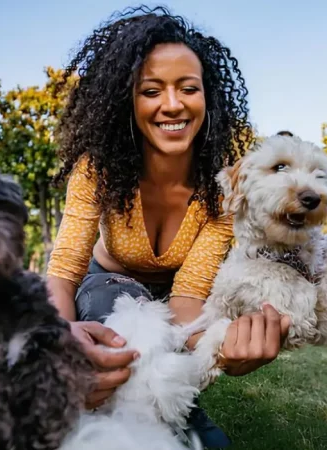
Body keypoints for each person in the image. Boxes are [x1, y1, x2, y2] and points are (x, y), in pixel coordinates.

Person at [46, 6, 291, 447]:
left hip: (175, 298)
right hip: (104, 288)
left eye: (188, 88)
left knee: (161, 337)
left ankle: (166, 421)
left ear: (207, 97)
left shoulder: (220, 190)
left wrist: (219, 345)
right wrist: (61, 343)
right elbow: (63, 274)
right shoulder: (98, 171)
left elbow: (187, 298)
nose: (172, 104)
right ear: (128, 100)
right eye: (151, 90)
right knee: (117, 302)